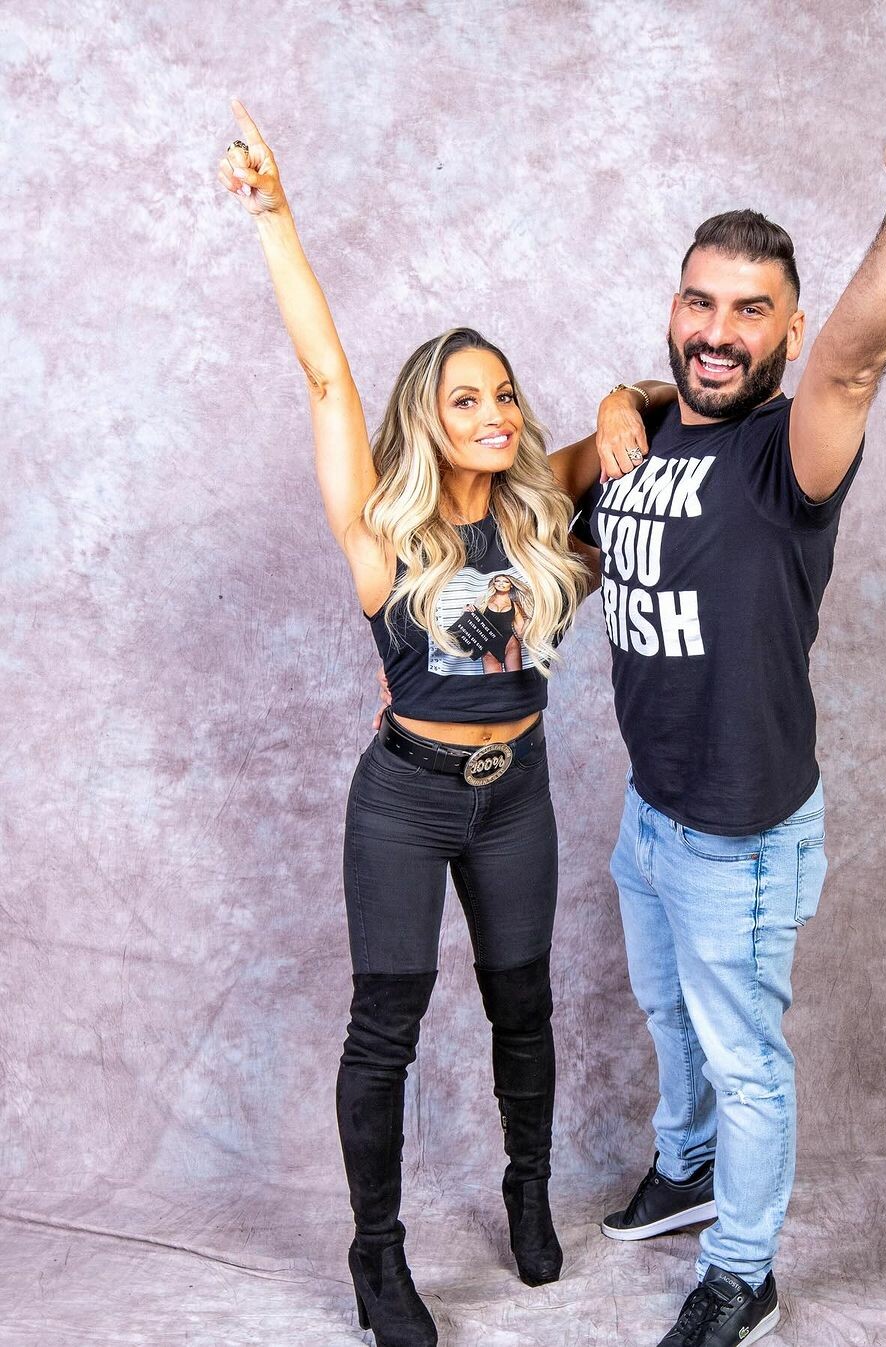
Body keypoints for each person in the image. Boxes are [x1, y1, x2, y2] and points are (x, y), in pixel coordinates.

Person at [215, 102, 669, 1347]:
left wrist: (620, 395)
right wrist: (276, 216)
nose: (495, 411)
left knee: (525, 1005)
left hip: (516, 793)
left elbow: (660, 403)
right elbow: (326, 374)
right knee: (388, 1027)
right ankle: (378, 1256)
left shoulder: (541, 501)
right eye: (467, 398)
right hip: (407, 798)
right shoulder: (383, 531)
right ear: (428, 415)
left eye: (505, 393)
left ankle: (528, 1191)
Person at [568, 28, 886, 1347]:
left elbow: (858, 360)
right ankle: (687, 1167)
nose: (718, 330)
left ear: (787, 332)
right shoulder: (642, 432)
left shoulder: (788, 455)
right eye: (702, 301)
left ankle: (744, 1271)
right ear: (673, 307)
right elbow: (555, 514)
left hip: (739, 833)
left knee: (745, 1055)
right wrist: (618, 396)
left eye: (752, 311)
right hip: (652, 810)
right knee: (667, 1015)